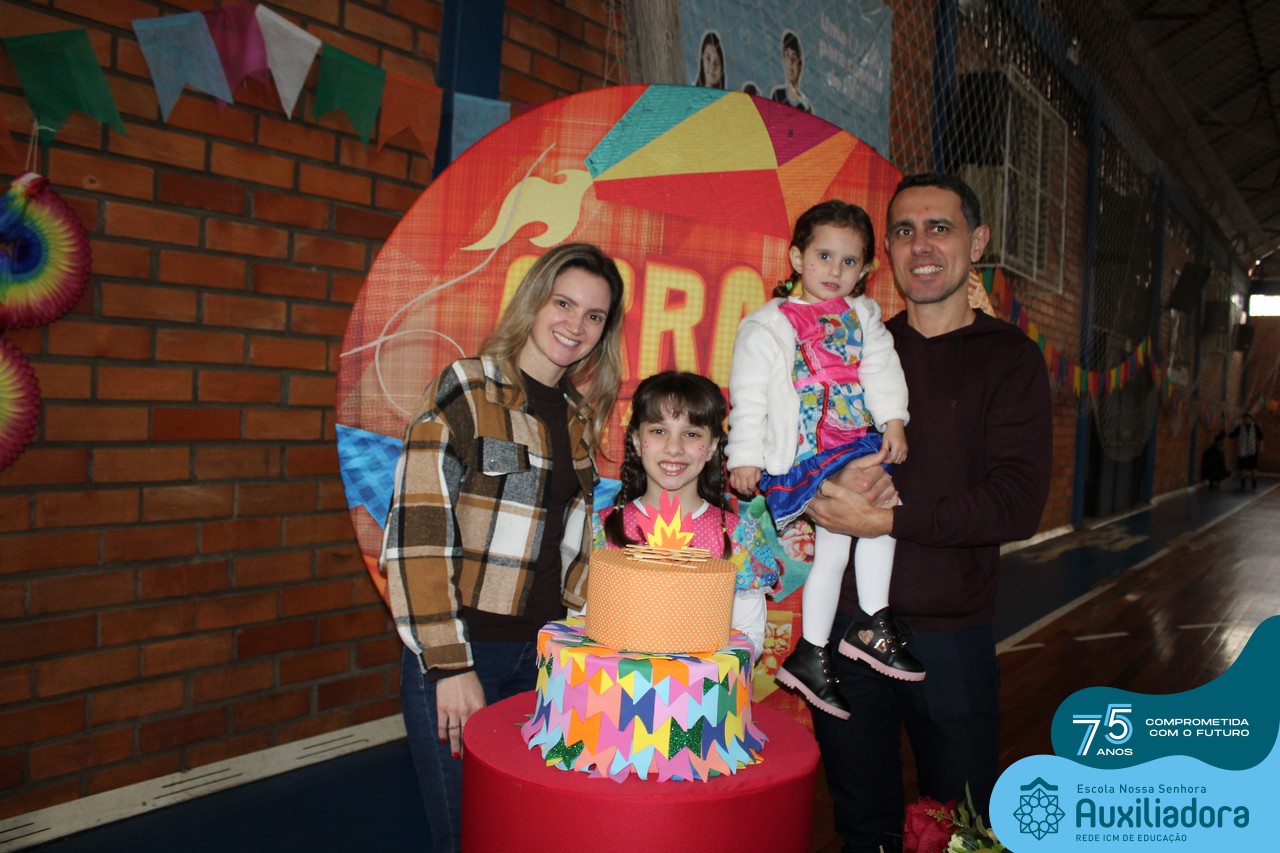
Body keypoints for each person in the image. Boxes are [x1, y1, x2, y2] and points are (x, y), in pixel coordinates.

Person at [804, 173, 1053, 853]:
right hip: (850, 631)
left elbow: (1016, 504)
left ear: (978, 241)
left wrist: (887, 522)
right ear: (886, 250)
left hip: (950, 640)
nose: (922, 245)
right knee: (863, 826)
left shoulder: (1010, 358)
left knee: (962, 830)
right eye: (905, 231)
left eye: (940, 228)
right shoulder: (856, 350)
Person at [380, 243, 625, 852]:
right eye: (563, 303)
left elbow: (570, 552)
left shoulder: (579, 419)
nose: (576, 325)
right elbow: (417, 534)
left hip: (547, 661)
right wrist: (450, 666)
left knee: (529, 833)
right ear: (534, 301)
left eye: (594, 315)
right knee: (467, 835)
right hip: (468, 655)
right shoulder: (466, 389)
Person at [726, 200, 920, 722]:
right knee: (882, 510)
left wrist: (893, 420)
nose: (835, 270)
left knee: (842, 544)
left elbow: (881, 370)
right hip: (806, 448)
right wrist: (744, 456)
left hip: (853, 438)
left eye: (849, 261)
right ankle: (870, 622)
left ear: (865, 270)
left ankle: (814, 650)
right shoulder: (768, 324)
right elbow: (749, 396)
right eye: (824, 256)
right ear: (797, 258)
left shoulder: (863, 317)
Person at [598, 371, 777, 656]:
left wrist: (687, 670)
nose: (674, 448)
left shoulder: (740, 536)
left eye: (692, 434)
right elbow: (582, 628)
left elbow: (748, 640)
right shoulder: (599, 529)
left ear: (712, 447)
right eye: (658, 431)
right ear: (636, 441)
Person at [770, 30, 812, 113]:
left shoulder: (805, 106)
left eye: (794, 57)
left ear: (800, 65)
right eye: (787, 55)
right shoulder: (777, 95)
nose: (790, 62)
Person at [1229, 412, 1263, 490]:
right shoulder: (1240, 427)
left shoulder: (1255, 427)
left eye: (1248, 418)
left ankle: (1254, 482)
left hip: (1252, 450)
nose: (1246, 420)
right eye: (1245, 419)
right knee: (1242, 467)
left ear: (1251, 419)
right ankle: (1243, 482)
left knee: (1253, 467)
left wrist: (1261, 447)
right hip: (1242, 450)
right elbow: (1232, 435)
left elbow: (1260, 437)